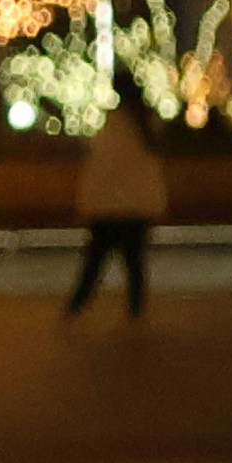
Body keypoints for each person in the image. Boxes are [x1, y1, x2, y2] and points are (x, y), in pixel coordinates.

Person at [67, 89, 171, 318]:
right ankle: (135, 312)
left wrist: (88, 202)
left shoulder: (113, 127)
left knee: (94, 263)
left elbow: (101, 169)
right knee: (134, 263)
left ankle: (75, 308)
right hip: (136, 209)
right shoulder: (147, 127)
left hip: (108, 209)